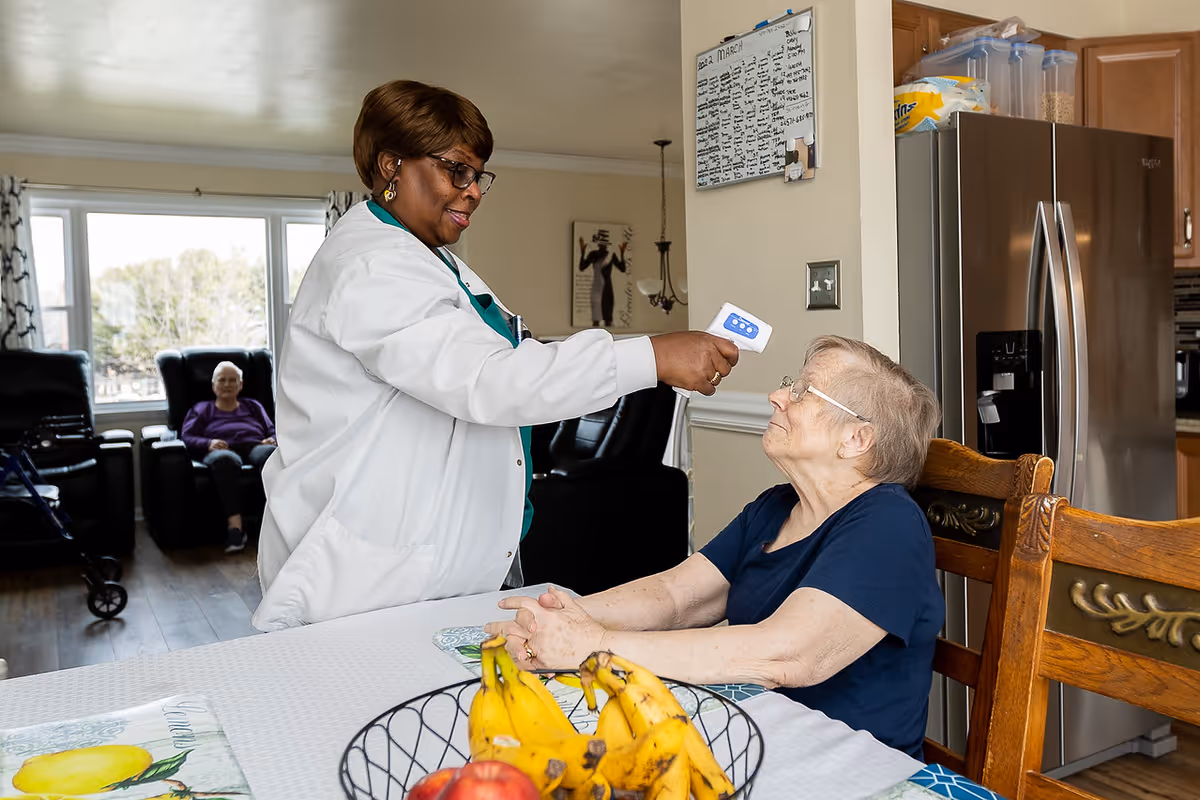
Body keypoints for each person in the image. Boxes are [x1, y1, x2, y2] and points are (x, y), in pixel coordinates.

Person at [251, 80, 739, 631]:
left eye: (478, 174)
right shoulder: (371, 266)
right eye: (455, 170)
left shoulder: (432, 262)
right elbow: (487, 380)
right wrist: (651, 355)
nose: (473, 190)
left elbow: (505, 361)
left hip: (434, 571)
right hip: (367, 578)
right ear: (392, 166)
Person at [485, 336, 944, 758]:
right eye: (791, 384)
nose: (777, 396)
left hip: (847, 771)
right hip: (755, 739)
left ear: (856, 439)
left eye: (804, 392)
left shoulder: (889, 524)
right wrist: (561, 616)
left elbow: (787, 654)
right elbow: (676, 597)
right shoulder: (776, 506)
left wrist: (595, 645)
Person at [180, 361, 277, 554]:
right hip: (221, 450)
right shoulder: (202, 409)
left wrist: (271, 440)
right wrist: (208, 444)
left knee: (271, 455)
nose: (227, 384)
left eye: (232, 380)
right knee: (226, 460)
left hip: (254, 447)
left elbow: (273, 430)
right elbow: (187, 436)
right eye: (222, 380)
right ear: (213, 385)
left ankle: (276, 525)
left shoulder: (253, 406)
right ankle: (236, 530)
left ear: (240, 385)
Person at [578, 229, 627, 327]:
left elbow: (582, 267)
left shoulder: (594, 254)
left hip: (598, 287)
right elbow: (622, 268)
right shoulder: (610, 255)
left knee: (597, 319)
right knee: (607, 318)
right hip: (607, 287)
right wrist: (622, 254)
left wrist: (582, 251)